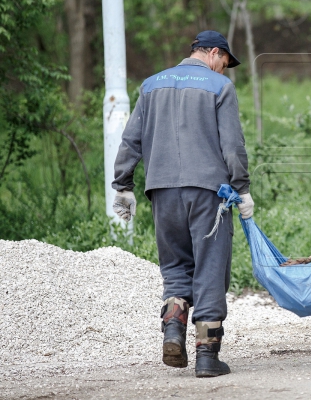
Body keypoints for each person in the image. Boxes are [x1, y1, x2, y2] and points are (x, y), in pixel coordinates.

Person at [112, 30, 254, 378]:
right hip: (207, 192)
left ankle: (173, 329)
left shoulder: (150, 85)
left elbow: (131, 140)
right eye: (225, 63)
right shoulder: (220, 88)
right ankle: (207, 356)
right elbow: (232, 146)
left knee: (175, 267)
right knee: (209, 267)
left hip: (161, 190)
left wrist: (123, 185)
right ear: (214, 53)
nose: (224, 70)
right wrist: (243, 189)